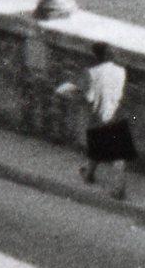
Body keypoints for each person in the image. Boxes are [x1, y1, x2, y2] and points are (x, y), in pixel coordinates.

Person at [56, 51, 138, 181]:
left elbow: (78, 88)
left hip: (100, 115)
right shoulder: (121, 75)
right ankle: (99, 177)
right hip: (117, 114)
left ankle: (103, 180)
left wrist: (64, 90)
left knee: (101, 145)